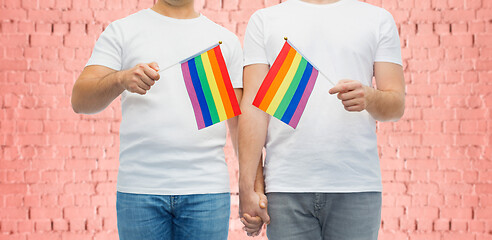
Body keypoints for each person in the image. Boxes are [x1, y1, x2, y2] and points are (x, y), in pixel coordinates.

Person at [71, 0, 243, 239]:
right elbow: (80, 100)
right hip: (140, 191)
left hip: (206, 191)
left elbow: (237, 124)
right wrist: (121, 79)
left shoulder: (224, 41)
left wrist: (250, 187)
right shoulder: (122, 31)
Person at [238, 0, 405, 239]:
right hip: (286, 187)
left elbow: (396, 105)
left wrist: (369, 97)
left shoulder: (377, 19)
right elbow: (254, 108)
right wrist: (247, 187)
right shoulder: (264, 21)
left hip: (355, 186)